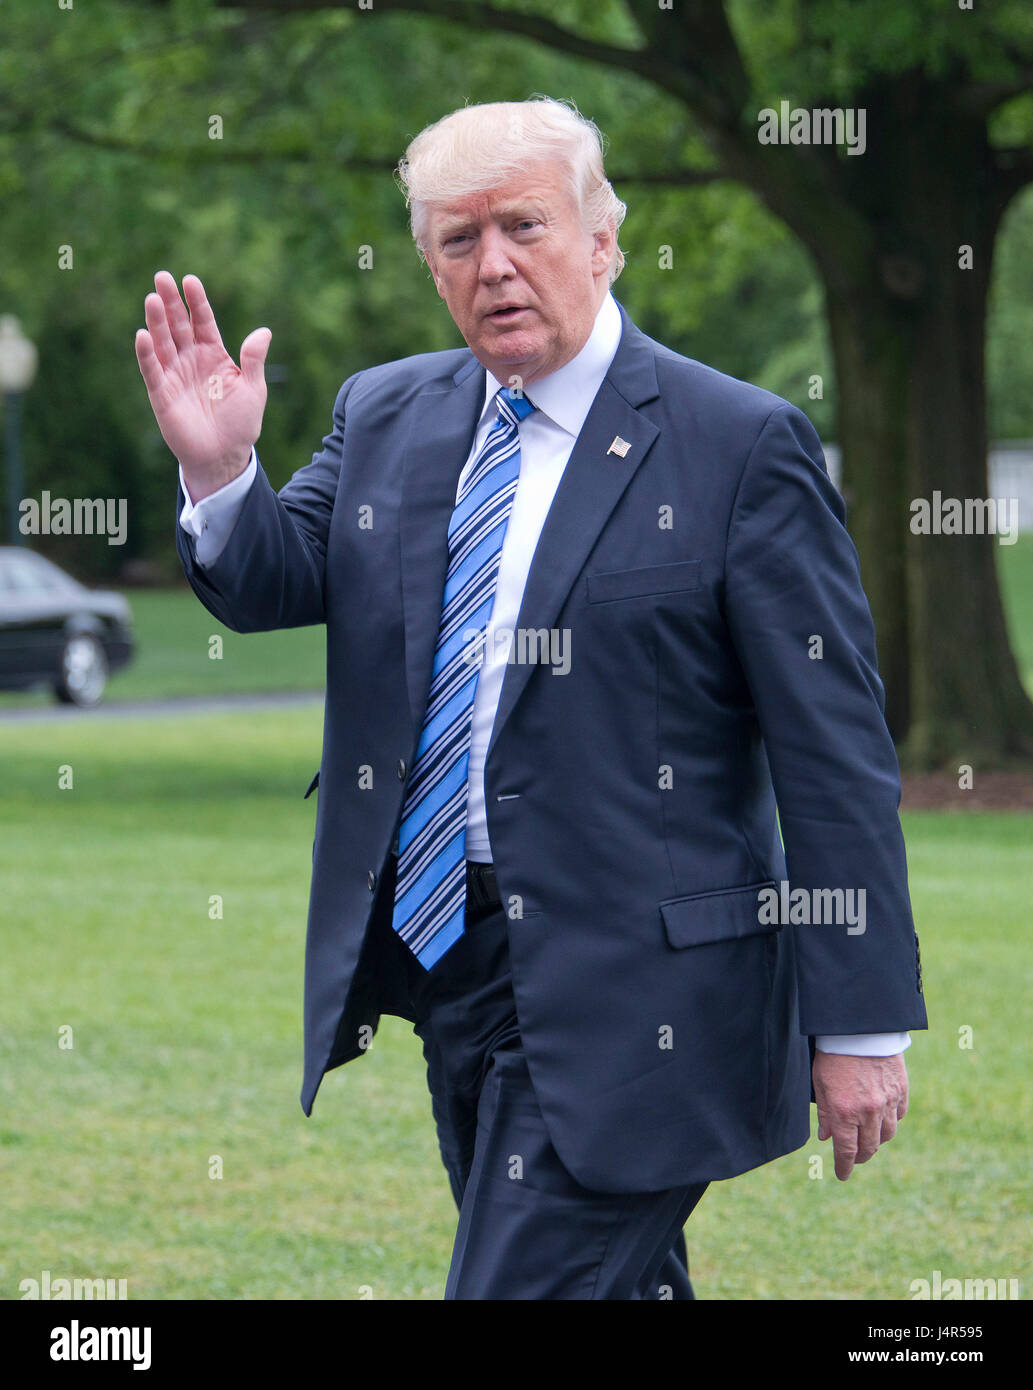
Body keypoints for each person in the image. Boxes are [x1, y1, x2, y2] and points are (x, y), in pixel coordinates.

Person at [135, 97, 927, 1300]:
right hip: (452, 962)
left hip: (648, 990)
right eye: (459, 241)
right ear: (432, 267)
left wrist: (861, 1023)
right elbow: (277, 578)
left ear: (602, 239)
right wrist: (217, 468)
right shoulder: (387, 412)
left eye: (525, 226)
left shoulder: (736, 445)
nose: (494, 263)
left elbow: (834, 752)